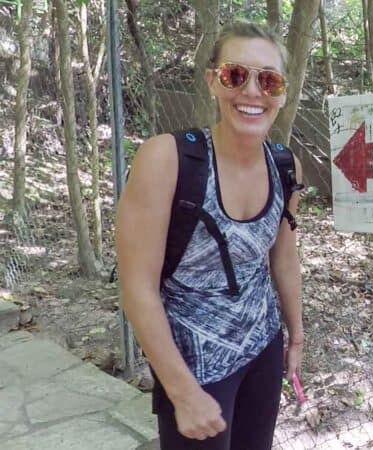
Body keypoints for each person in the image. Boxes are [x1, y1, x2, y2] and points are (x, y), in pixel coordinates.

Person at [116, 20, 303, 450]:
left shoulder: (285, 164)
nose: (253, 92)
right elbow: (137, 289)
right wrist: (182, 392)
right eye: (236, 75)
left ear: (282, 93)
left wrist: (296, 336)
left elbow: (284, 257)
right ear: (213, 82)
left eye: (269, 80)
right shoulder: (167, 158)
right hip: (192, 363)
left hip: (262, 346)